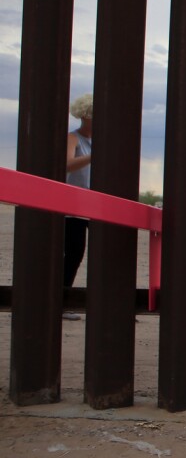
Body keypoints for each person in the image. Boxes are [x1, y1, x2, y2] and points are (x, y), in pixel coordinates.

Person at [62, 93, 93, 320]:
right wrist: (93, 156)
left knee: (108, 253)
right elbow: (68, 164)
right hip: (74, 207)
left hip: (98, 206)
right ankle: (61, 302)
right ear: (85, 115)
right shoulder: (73, 138)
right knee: (74, 254)